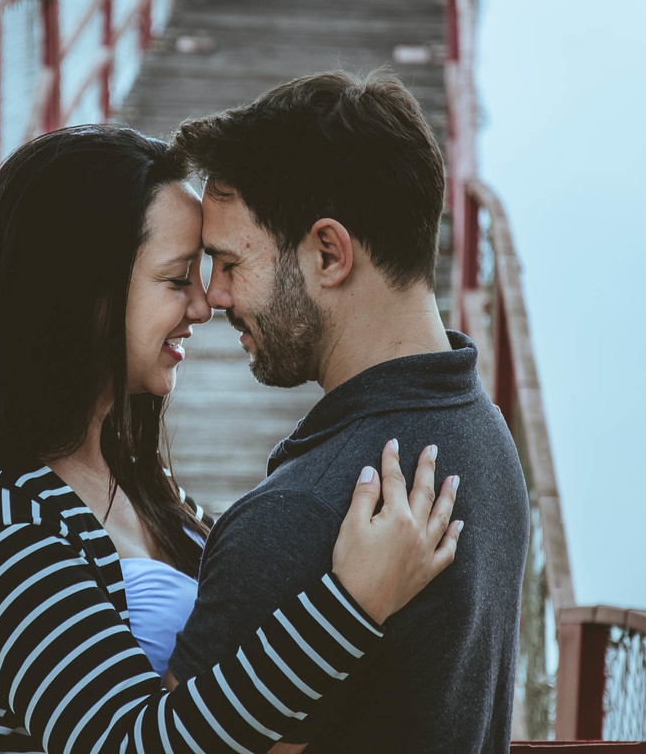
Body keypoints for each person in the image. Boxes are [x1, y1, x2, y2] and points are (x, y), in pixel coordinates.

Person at [0, 125, 464, 754]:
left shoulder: (139, 484)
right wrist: (351, 605)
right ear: (82, 293)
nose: (205, 305)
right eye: (177, 280)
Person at [165, 70, 530, 753]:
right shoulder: (485, 434)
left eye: (229, 263)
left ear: (329, 253)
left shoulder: (296, 518)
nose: (212, 298)